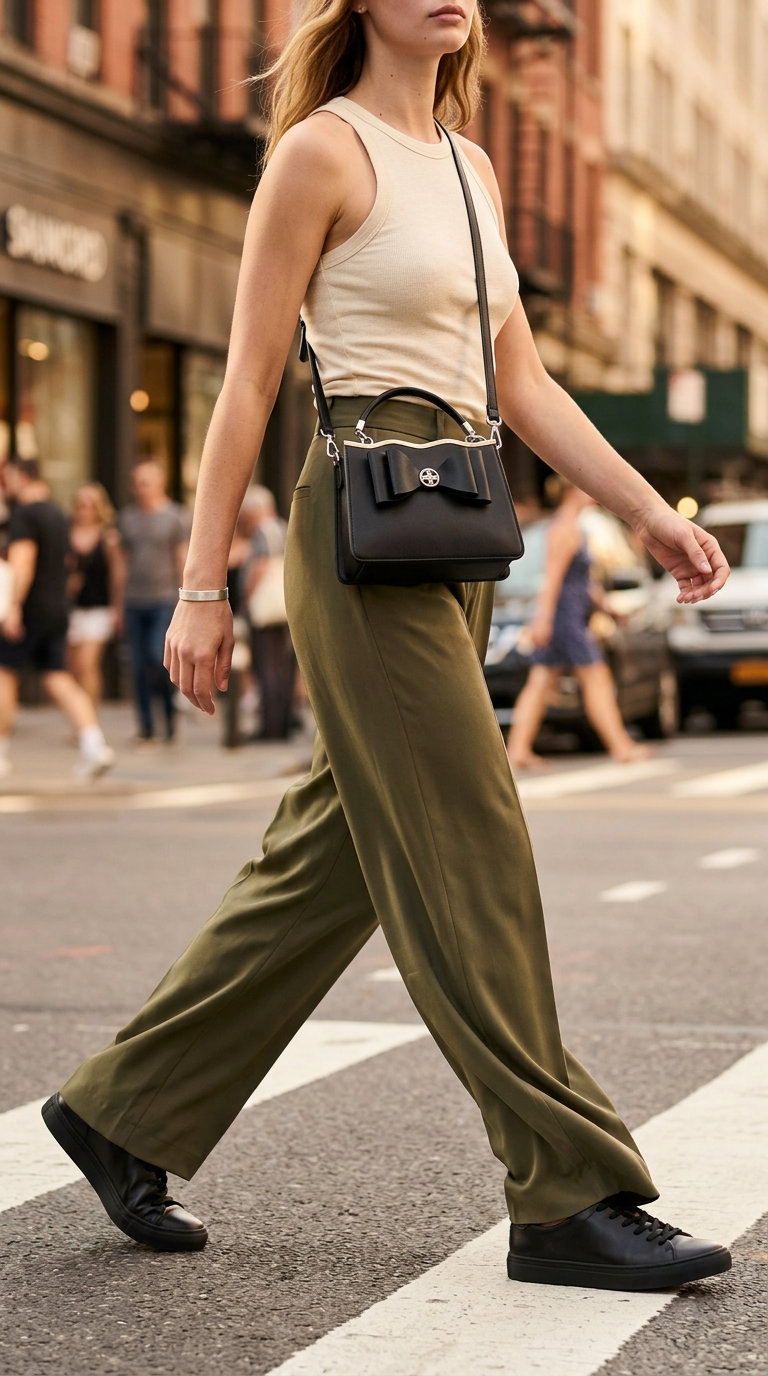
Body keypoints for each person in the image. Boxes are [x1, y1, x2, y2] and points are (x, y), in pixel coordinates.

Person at [42, 2, 732, 1291]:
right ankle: (568, 1189)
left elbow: (518, 377)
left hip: (457, 526)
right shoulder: (322, 151)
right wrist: (201, 586)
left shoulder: (469, 167)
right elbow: (249, 380)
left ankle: (122, 1108)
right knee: (473, 844)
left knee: (335, 859)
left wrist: (648, 509)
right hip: (359, 531)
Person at [507, 482, 653, 769]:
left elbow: (585, 585)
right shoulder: (564, 528)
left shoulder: (575, 527)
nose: (592, 494)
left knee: (540, 683)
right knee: (595, 678)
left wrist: (607, 609)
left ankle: (517, 750)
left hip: (567, 616)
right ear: (571, 492)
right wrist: (543, 620)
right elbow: (552, 578)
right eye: (585, 488)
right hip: (565, 620)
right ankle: (621, 746)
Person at [0, 457, 115, 780]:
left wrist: (13, 607)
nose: (6, 484)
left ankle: (1, 753)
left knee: (4, 675)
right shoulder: (56, 514)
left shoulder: (25, 514)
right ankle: (95, 746)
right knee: (57, 676)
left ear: (23, 477)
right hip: (57, 608)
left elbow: (23, 562)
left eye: (8, 477)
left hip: (30, 608)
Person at [117, 460, 186, 745]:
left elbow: (182, 558)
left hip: (163, 600)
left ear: (160, 483)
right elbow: (120, 563)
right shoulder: (128, 518)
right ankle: (146, 728)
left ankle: (169, 717)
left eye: (146, 482)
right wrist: (117, 604)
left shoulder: (174, 517)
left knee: (156, 659)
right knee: (137, 666)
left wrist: (186, 600)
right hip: (134, 600)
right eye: (137, 483)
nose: (140, 489)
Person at [245, 484, 296, 740]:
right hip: (285, 607)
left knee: (269, 668)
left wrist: (247, 596)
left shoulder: (264, 532)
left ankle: (272, 727)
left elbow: (261, 567)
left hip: (269, 611)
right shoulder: (283, 527)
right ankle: (283, 722)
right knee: (282, 668)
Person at [67, 483, 121, 709]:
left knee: (88, 664)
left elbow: (117, 575)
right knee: (74, 668)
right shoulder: (67, 536)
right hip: (72, 608)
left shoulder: (109, 538)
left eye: (90, 506)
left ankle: (90, 716)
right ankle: (80, 717)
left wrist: (117, 608)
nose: (85, 511)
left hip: (99, 608)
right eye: (81, 506)